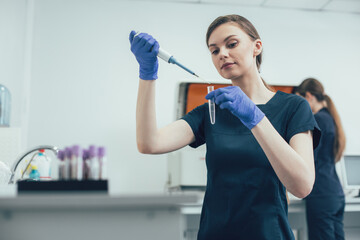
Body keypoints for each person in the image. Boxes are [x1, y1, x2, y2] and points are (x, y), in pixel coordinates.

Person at [129, 14, 320, 240]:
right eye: (214, 50)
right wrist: (147, 73)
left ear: (256, 47)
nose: (223, 54)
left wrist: (255, 118)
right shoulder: (211, 111)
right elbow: (149, 143)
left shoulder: (293, 107)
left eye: (231, 44)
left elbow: (302, 186)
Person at [296, 78, 346, 240]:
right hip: (336, 194)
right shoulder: (331, 119)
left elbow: (308, 158)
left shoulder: (317, 120)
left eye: (300, 100)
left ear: (309, 96)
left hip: (321, 194)